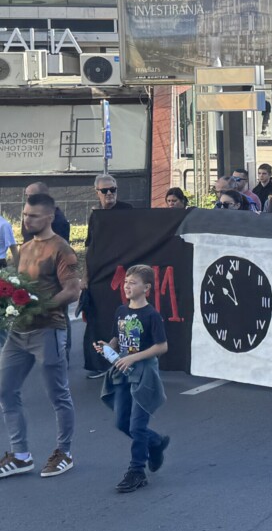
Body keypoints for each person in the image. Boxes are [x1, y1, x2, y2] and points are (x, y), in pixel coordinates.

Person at [0, 193, 80, 479]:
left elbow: (73, 290)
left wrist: (41, 306)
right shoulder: (25, 247)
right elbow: (20, 283)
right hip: (18, 333)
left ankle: (64, 452)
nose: (26, 219)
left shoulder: (62, 249)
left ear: (49, 216)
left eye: (32, 216)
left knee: (58, 395)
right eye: (24, 214)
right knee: (5, 391)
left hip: (49, 330)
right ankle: (20, 455)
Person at [93, 265, 170, 493]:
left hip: (144, 374)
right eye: (126, 282)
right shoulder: (121, 311)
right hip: (123, 372)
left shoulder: (151, 315)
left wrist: (134, 358)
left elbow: (162, 346)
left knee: (137, 426)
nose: (127, 286)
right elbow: (118, 337)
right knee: (122, 422)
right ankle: (155, 443)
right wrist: (108, 347)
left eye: (133, 283)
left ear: (146, 288)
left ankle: (137, 471)